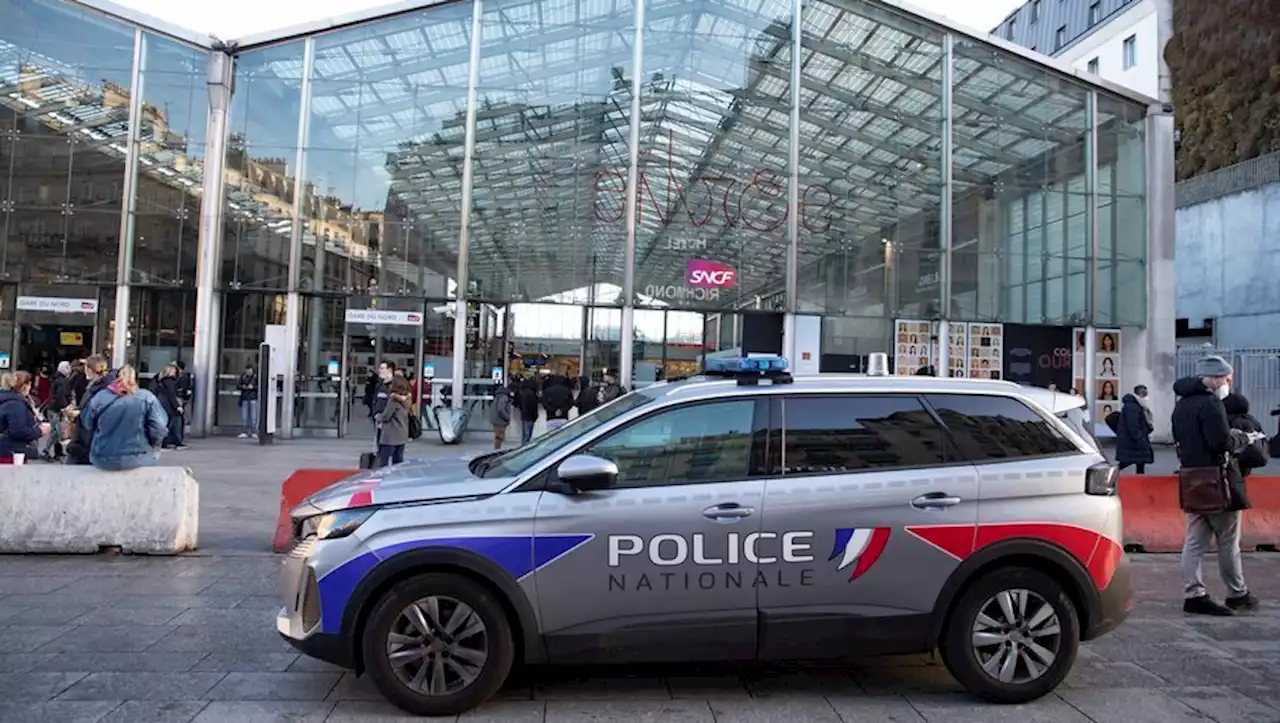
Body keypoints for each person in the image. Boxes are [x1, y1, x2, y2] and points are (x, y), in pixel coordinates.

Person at [1171, 355, 1259, 616]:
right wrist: (1241, 438)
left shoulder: (1182, 405)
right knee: (1228, 540)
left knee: (1194, 541)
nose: (1228, 383)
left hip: (1191, 480)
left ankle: (1193, 593)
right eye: (1226, 378)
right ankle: (1237, 593)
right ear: (1213, 378)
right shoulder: (1210, 403)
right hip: (1217, 481)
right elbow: (1220, 442)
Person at [80, 365, 169, 471]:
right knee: (155, 453)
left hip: (103, 458)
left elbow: (87, 423)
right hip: (138, 457)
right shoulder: (147, 397)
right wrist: (155, 443)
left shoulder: (100, 396)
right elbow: (160, 427)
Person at [65, 356, 114, 465]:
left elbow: (93, 414)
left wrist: (78, 413)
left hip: (88, 440)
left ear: (91, 369)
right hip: (88, 438)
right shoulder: (98, 386)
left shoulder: (100, 389)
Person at [0, 372, 48, 464]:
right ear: (24, 386)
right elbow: (18, 430)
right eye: (30, 384)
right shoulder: (16, 404)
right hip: (12, 452)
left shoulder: (7, 400)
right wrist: (39, 431)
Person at [1116, 385, 1154, 474]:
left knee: (1139, 461)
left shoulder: (1137, 405)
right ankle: (1110, 476)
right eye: (1144, 394)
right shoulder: (1132, 407)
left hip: (1135, 440)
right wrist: (1140, 439)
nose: (1146, 397)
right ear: (1139, 394)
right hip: (1132, 441)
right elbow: (1133, 425)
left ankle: (1140, 481)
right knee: (1127, 461)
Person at [374, 376, 411, 468]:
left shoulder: (393, 401)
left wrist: (377, 416)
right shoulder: (407, 399)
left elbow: (386, 416)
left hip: (391, 434)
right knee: (398, 460)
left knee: (384, 461)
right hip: (402, 433)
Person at [153, 363, 187, 450]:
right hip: (168, 404)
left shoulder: (161, 380)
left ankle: (164, 442)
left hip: (163, 402)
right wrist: (177, 406)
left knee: (166, 423)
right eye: (174, 371)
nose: (175, 372)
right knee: (173, 423)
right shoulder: (170, 381)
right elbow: (171, 394)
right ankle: (174, 441)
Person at [237, 362, 258, 439]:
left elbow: (259, 386)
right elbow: (238, 385)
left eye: (250, 370)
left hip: (252, 398)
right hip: (245, 398)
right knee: (244, 416)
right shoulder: (243, 376)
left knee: (253, 416)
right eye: (248, 370)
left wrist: (253, 387)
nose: (249, 372)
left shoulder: (256, 377)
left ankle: (253, 431)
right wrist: (244, 387)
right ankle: (245, 431)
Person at [489, 381, 512, 450]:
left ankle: (496, 448)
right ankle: (496, 450)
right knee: (499, 437)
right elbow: (500, 409)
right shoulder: (503, 398)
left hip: (495, 420)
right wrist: (507, 417)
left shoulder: (496, 397)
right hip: (500, 421)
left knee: (498, 436)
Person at [516, 377, 539, 443]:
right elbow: (533, 406)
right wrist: (535, 416)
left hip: (524, 415)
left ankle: (523, 445)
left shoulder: (522, 392)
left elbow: (518, 403)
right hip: (530, 416)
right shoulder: (532, 394)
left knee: (525, 433)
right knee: (528, 434)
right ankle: (524, 447)